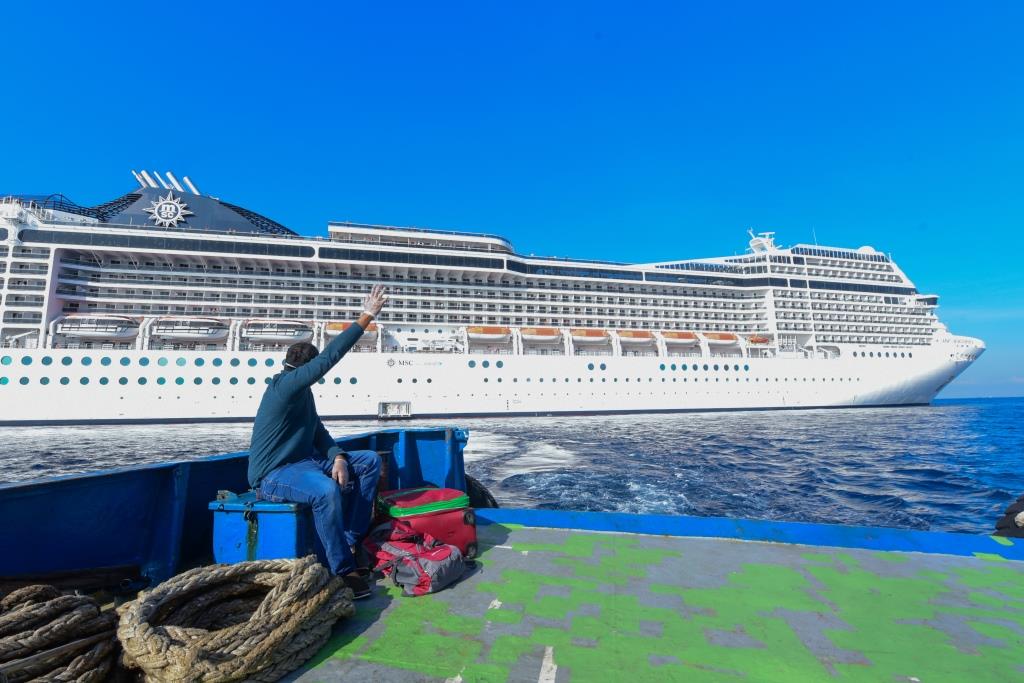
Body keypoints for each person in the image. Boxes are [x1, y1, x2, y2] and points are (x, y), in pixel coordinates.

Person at [247, 284, 388, 598]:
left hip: (305, 463)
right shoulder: (285, 386)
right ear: (307, 370)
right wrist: (366, 317)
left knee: (368, 461)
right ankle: (343, 571)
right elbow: (329, 358)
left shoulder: (303, 395)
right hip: (273, 475)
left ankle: (350, 540)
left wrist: (338, 456)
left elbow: (320, 434)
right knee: (325, 491)